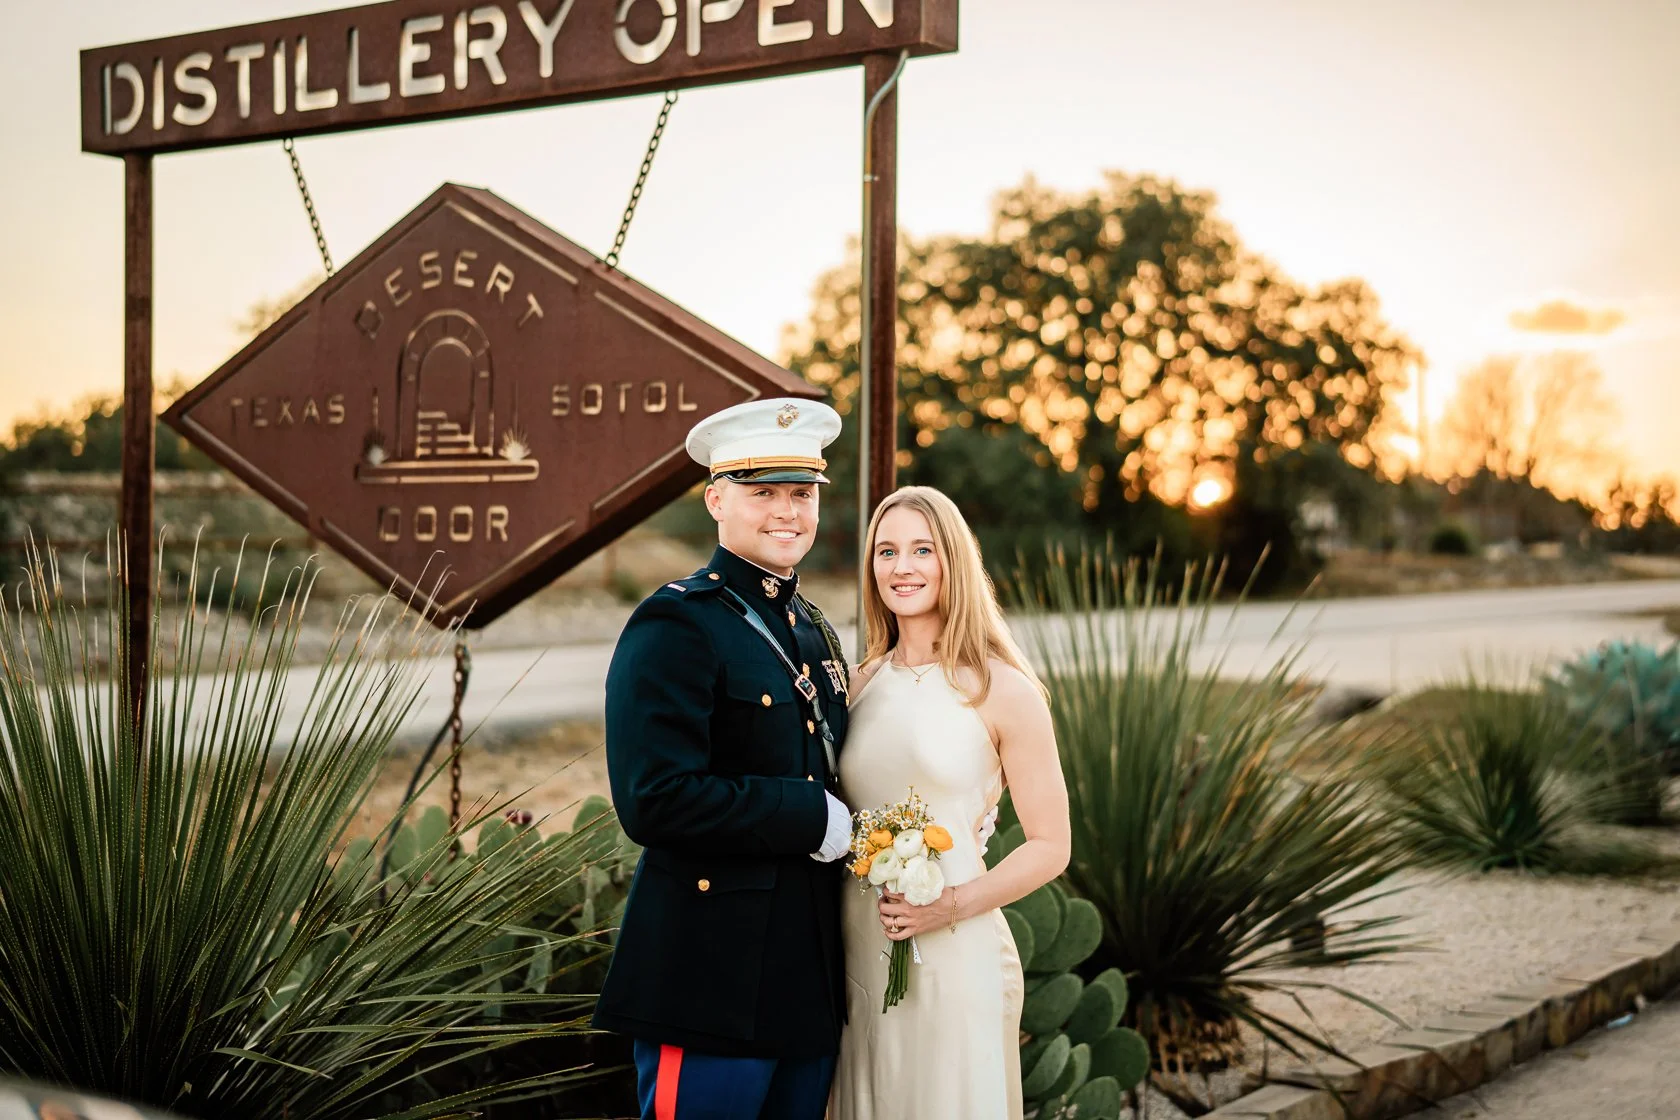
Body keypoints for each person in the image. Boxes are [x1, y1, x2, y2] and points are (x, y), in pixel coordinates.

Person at [594, 397, 856, 1120]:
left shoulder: (813, 630)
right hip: (710, 978)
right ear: (716, 499)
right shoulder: (677, 622)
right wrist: (807, 816)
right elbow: (655, 797)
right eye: (761, 491)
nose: (787, 512)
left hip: (807, 977)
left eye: (801, 494)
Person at [829, 486, 1071, 1120]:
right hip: (856, 948)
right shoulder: (860, 684)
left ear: (953, 562)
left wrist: (946, 907)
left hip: (955, 950)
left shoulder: (1002, 690)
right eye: (886, 551)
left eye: (921, 550)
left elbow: (1051, 845)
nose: (901, 567)